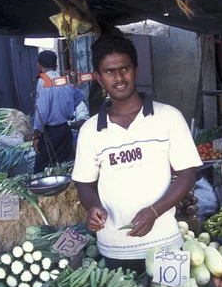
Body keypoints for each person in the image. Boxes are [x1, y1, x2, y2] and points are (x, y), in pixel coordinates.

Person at [72, 35, 202, 272]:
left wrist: (155, 212)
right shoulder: (90, 130)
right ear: (99, 78)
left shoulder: (168, 117)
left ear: (136, 70)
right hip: (115, 248)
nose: (119, 78)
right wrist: (92, 207)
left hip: (166, 244)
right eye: (110, 71)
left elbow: (187, 175)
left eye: (125, 69)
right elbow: (85, 185)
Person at [32, 50, 84, 173]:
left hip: (51, 133)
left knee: (41, 169)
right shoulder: (64, 81)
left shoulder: (43, 81)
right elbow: (79, 96)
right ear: (56, 66)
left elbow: (42, 112)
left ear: (38, 65)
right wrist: (69, 111)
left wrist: (36, 135)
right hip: (65, 131)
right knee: (64, 167)